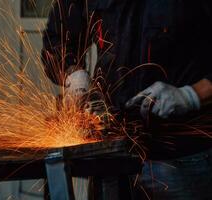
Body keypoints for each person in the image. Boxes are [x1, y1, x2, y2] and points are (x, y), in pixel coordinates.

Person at [42, 0, 212, 199]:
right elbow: (57, 38)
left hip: (184, 157)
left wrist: (192, 95)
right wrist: (73, 75)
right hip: (111, 153)